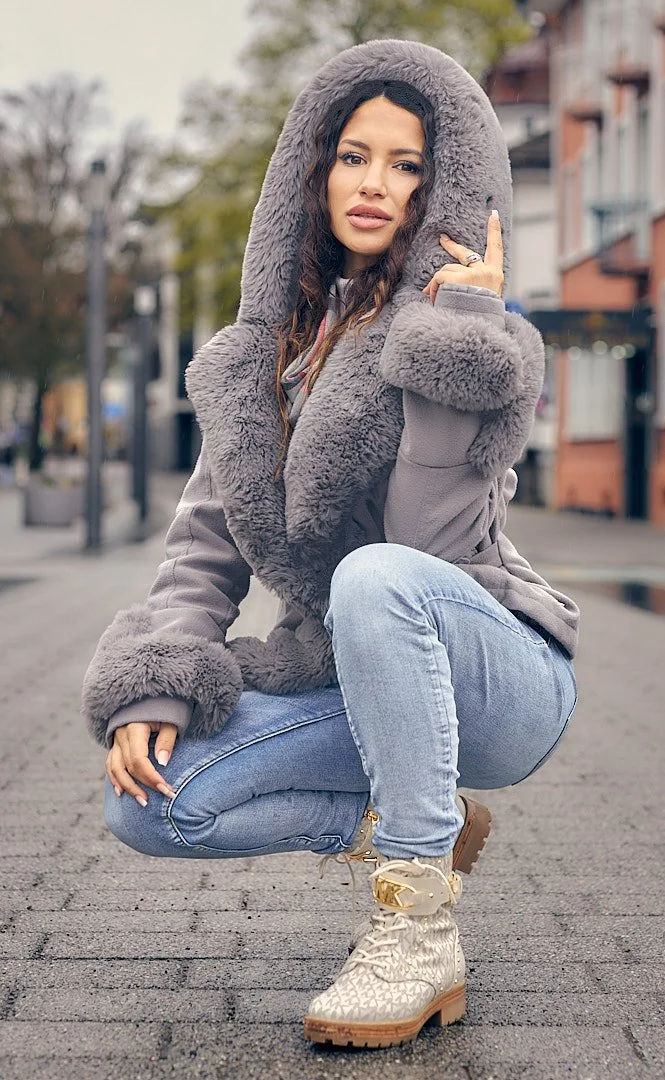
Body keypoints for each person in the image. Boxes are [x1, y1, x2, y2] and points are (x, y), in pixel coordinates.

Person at [82, 39, 579, 1050]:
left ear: (437, 187)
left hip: (497, 673)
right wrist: (155, 684)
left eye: (405, 165)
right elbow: (203, 549)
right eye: (354, 154)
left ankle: (415, 930)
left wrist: (452, 337)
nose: (374, 183)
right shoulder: (268, 356)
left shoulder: (479, 342)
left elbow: (427, 556)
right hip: (359, 683)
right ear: (313, 171)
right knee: (149, 802)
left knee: (374, 576)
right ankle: (416, 830)